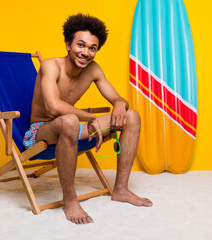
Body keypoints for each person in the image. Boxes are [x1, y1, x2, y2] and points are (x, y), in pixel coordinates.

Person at [23, 13, 152, 225]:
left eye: (92, 48)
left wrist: (119, 103)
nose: (86, 52)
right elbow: (53, 106)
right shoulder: (50, 66)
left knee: (131, 116)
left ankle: (120, 189)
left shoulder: (93, 70)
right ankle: (70, 200)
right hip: (40, 132)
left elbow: (117, 98)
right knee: (70, 120)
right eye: (80, 45)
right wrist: (90, 117)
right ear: (67, 44)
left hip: (71, 126)